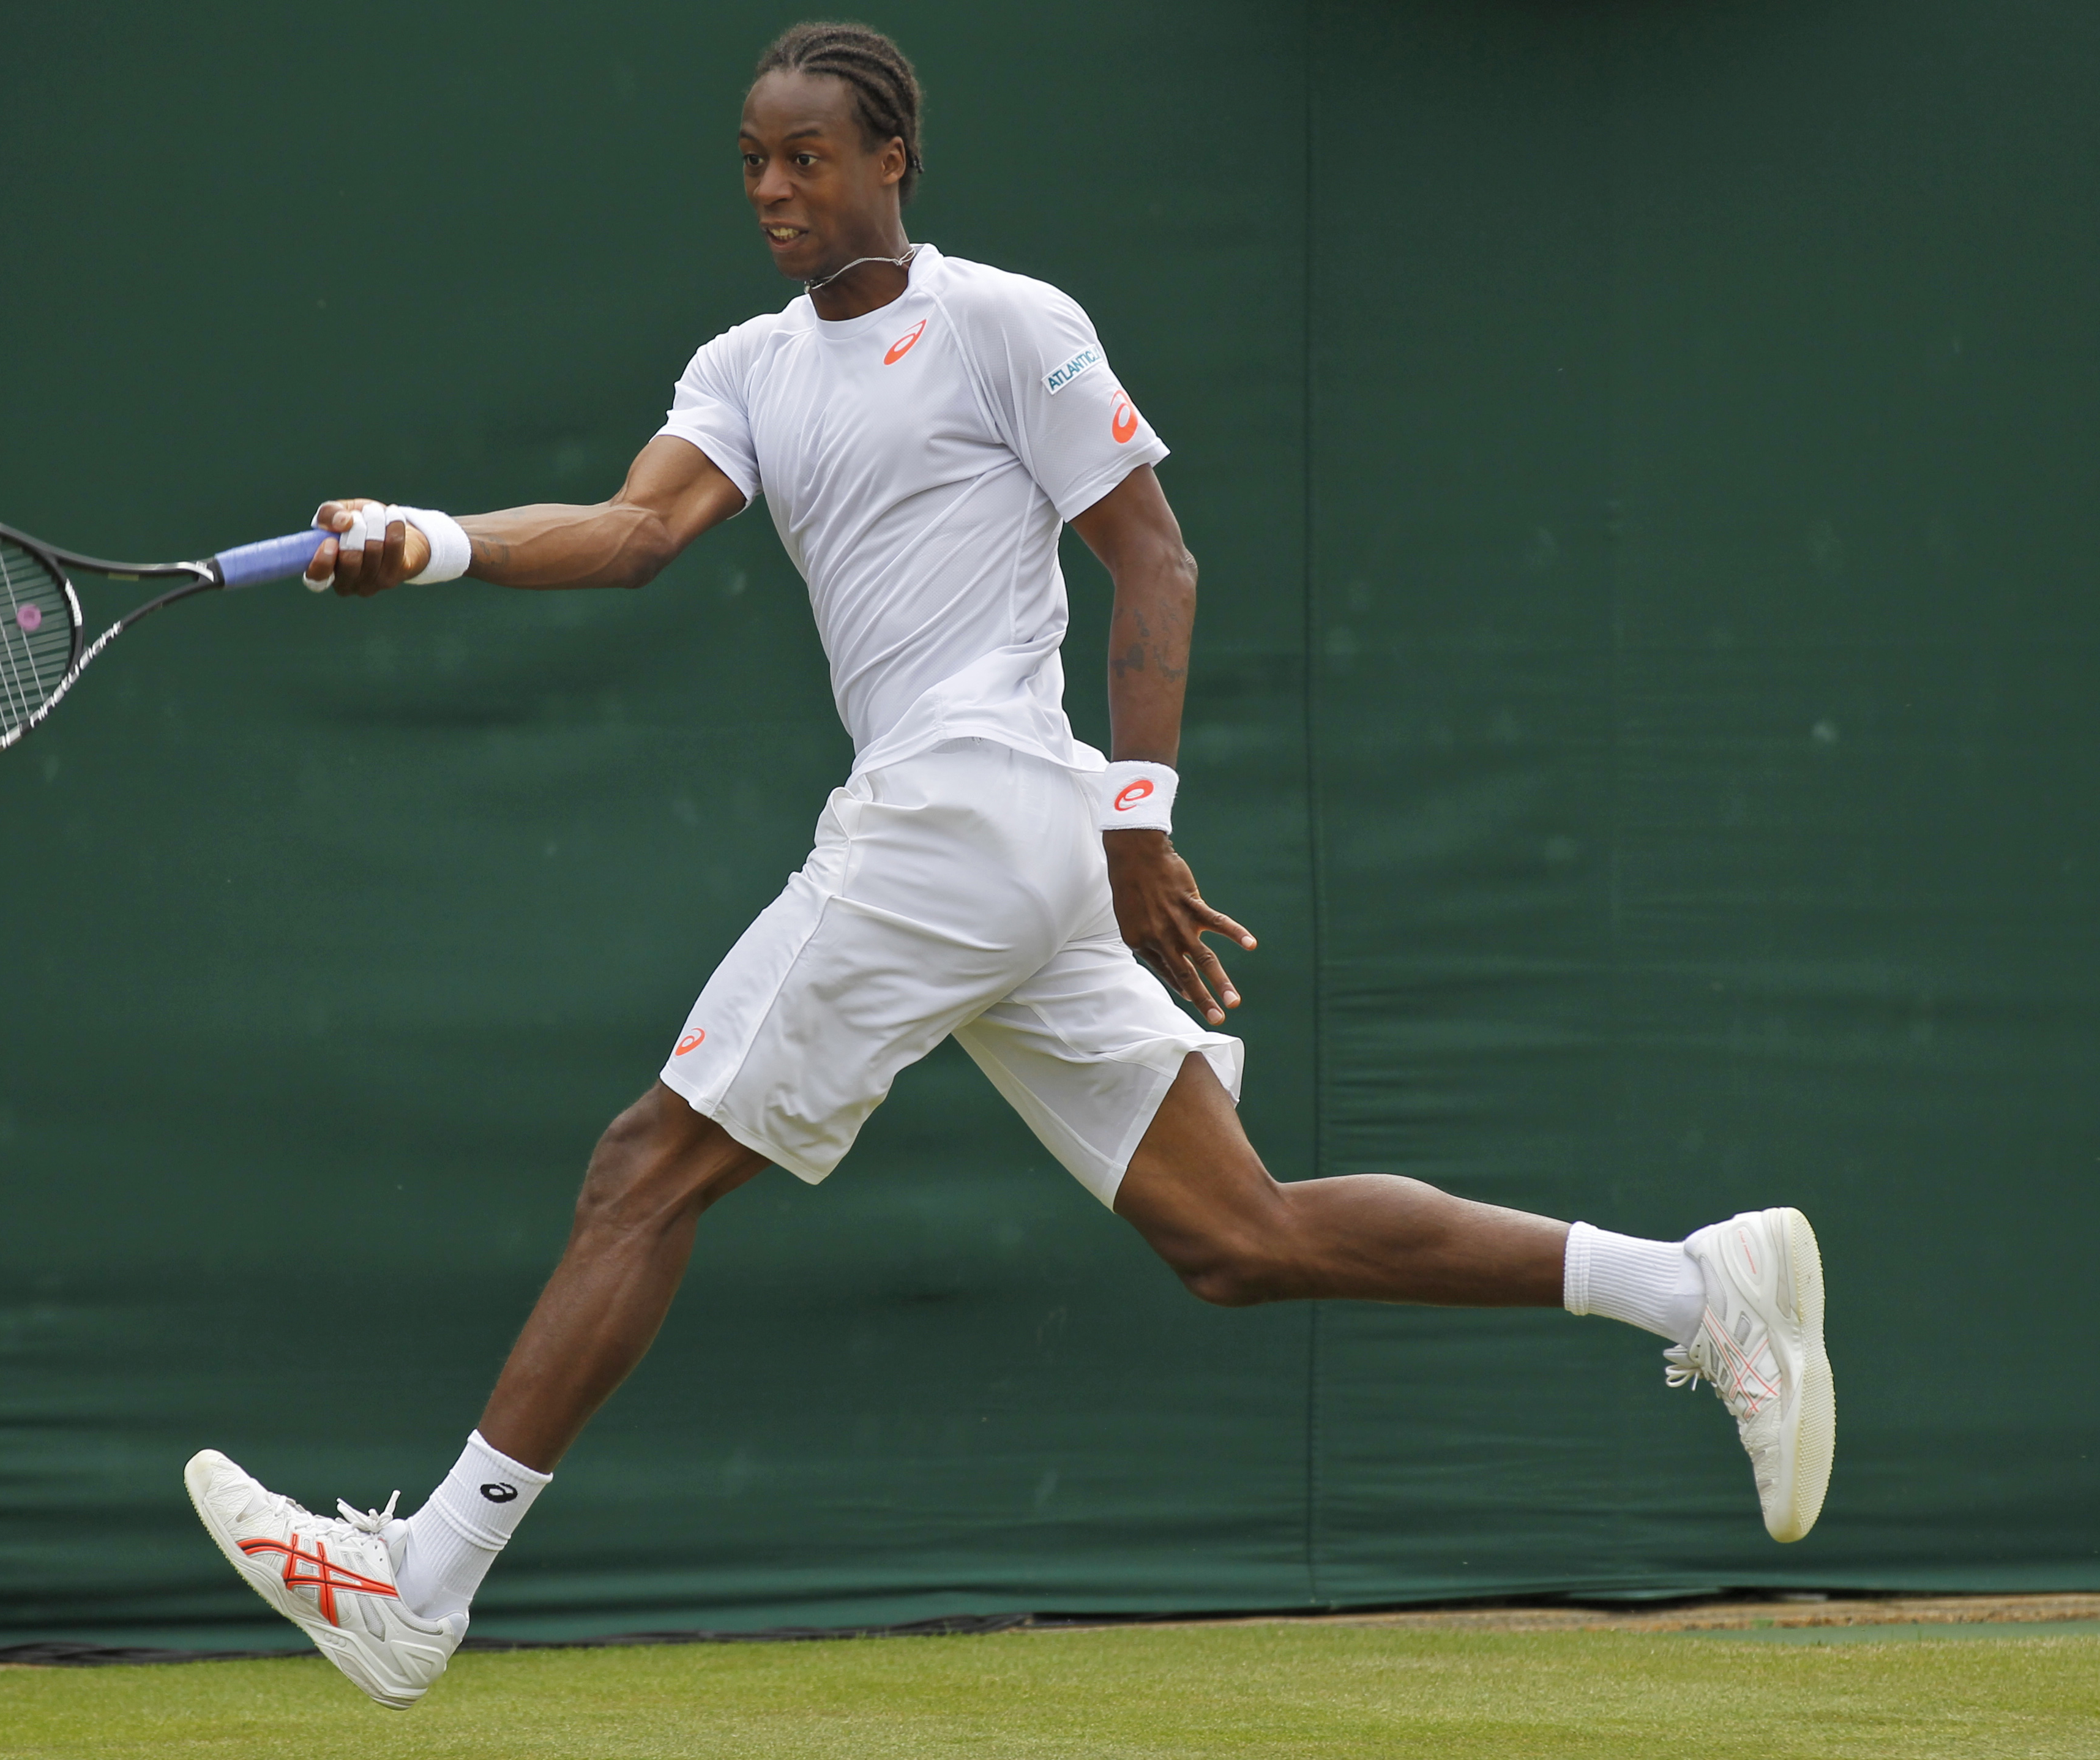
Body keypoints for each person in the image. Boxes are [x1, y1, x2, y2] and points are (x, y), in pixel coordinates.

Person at [182, 21, 1834, 1710]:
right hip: (995, 854)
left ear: (891, 156)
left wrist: (1141, 818)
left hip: (974, 809)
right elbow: (632, 535)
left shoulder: (1005, 323)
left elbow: (1156, 561)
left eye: (803, 155)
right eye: (749, 158)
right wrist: (424, 540)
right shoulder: (744, 367)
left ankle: (424, 1580)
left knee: (643, 1167)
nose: (769, 186)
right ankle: (1695, 1285)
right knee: (1236, 1233)